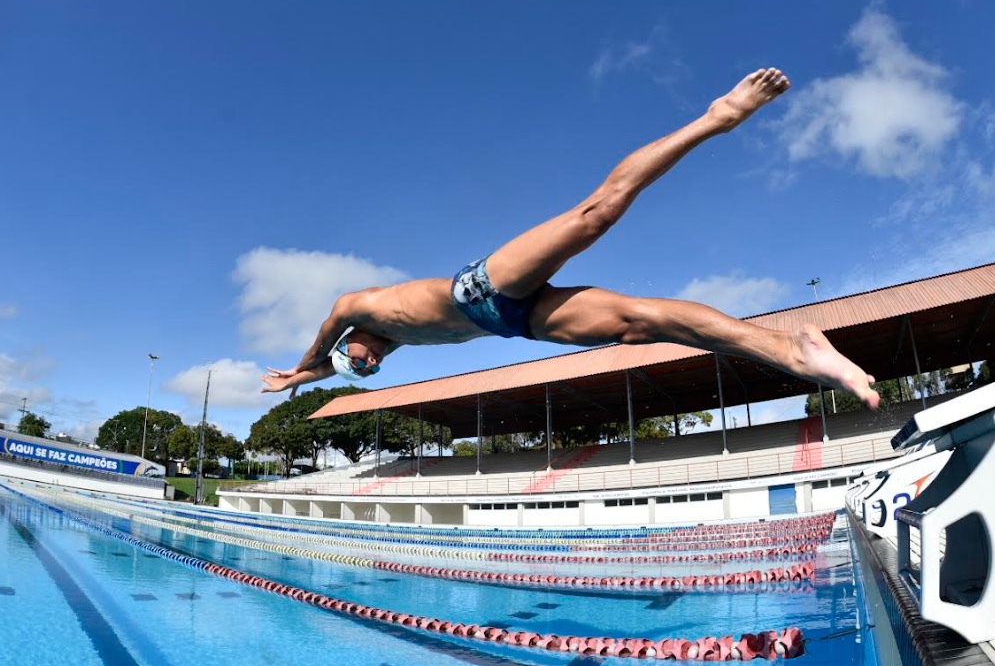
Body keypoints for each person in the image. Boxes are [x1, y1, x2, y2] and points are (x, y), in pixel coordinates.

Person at [261, 68, 880, 411]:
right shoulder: (397, 340)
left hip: (481, 287)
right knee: (640, 323)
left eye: (357, 358)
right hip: (519, 323)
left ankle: (716, 117)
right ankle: (792, 350)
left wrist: (309, 362)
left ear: (350, 341)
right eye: (362, 369)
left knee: (596, 215)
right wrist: (316, 380)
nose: (365, 363)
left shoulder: (362, 308)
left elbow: (329, 326)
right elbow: (338, 368)